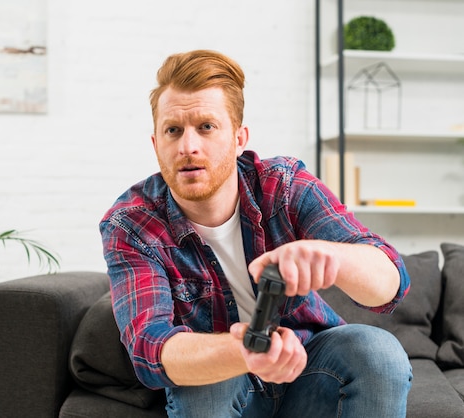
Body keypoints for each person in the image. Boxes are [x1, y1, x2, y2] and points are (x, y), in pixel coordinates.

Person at [99, 49, 412, 417]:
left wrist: (335, 259)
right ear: (156, 145)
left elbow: (392, 286)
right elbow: (149, 349)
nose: (188, 146)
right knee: (207, 386)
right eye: (173, 131)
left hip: (309, 369)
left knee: (377, 350)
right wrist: (246, 351)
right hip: (222, 376)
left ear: (238, 138)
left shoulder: (284, 186)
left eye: (206, 127)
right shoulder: (131, 224)